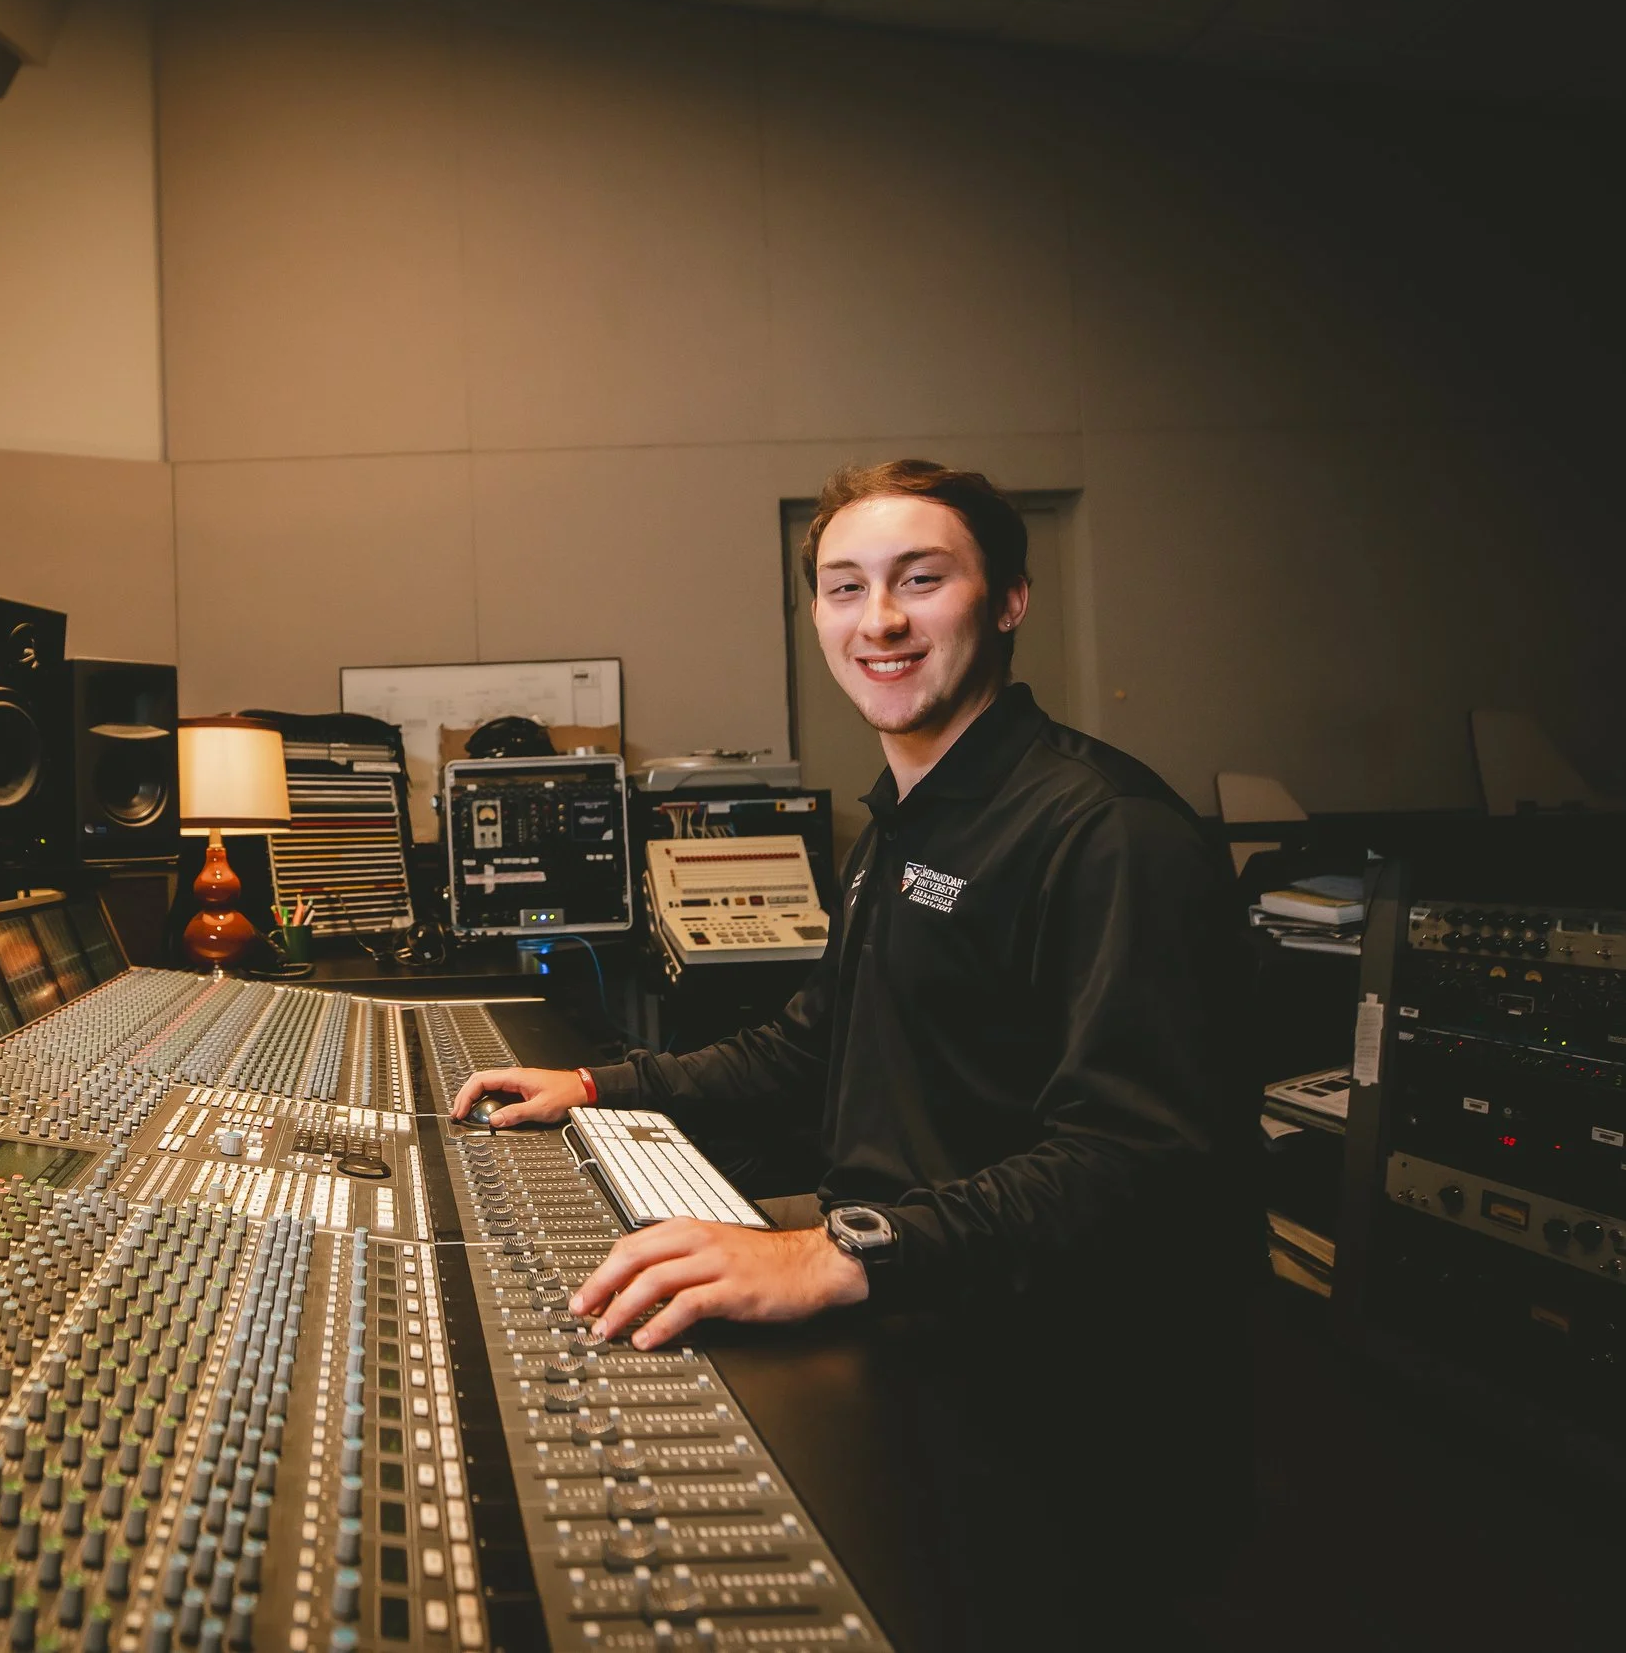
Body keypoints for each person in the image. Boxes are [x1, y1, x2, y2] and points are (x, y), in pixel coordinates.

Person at [452, 459, 1262, 1647]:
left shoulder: (1106, 830)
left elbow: (1135, 1156)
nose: (877, 619)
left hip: (1048, 1397)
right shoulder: (902, 820)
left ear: (1009, 599)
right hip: (917, 1309)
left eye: (919, 580)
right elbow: (814, 1041)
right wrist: (597, 1086)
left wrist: (831, 1251)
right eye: (845, 586)